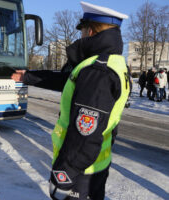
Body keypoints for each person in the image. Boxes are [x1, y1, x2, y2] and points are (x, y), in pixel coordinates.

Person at [12, 1, 130, 199]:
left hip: (80, 171)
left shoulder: (97, 71)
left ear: (90, 31)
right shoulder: (112, 62)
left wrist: (64, 173)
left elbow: (86, 132)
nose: (80, 35)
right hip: (96, 164)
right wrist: (27, 76)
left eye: (82, 30)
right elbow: (68, 79)